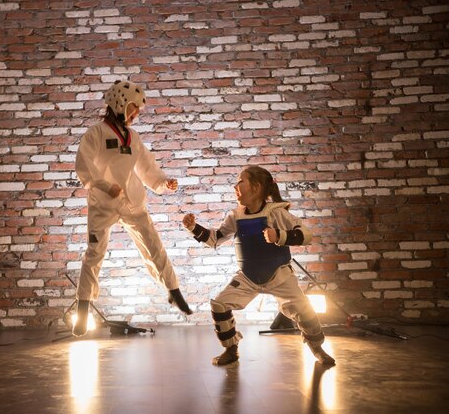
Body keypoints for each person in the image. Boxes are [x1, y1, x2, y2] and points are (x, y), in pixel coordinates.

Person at [72, 80, 192, 337]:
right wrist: (105, 186)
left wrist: (163, 182)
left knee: (153, 244)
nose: (136, 113)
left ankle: (174, 291)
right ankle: (83, 308)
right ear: (119, 104)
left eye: (137, 109)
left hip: (132, 203)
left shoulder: (132, 137)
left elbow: (147, 167)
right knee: (94, 254)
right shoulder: (96, 133)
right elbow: (84, 165)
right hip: (103, 204)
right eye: (133, 108)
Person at [182, 165, 335, 366]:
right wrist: (194, 227)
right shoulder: (236, 216)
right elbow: (215, 239)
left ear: (255, 187)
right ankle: (231, 349)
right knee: (219, 305)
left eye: (240, 181)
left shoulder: (277, 213)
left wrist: (279, 236)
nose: (235, 186)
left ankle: (317, 348)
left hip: (279, 275)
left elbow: (306, 235)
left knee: (305, 311)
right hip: (248, 277)